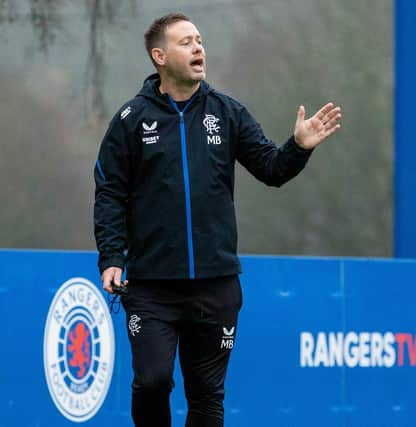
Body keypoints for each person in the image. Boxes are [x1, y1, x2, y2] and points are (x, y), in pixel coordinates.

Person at [93, 13, 341, 427]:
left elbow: (271, 169)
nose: (198, 49)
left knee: (207, 398)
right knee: (153, 381)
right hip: (152, 287)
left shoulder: (227, 112)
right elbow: (109, 192)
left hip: (216, 285)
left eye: (200, 40)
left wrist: (298, 146)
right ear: (159, 56)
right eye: (186, 42)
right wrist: (111, 258)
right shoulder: (130, 120)